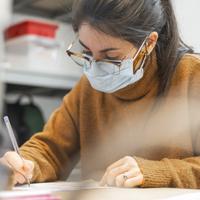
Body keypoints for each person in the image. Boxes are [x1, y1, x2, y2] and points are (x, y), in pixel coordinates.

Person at [1, 0, 200, 188]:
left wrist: (156, 172)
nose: (95, 68)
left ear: (148, 44)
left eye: (111, 57)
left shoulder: (192, 77)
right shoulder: (87, 88)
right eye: (87, 53)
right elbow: (49, 150)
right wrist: (24, 164)